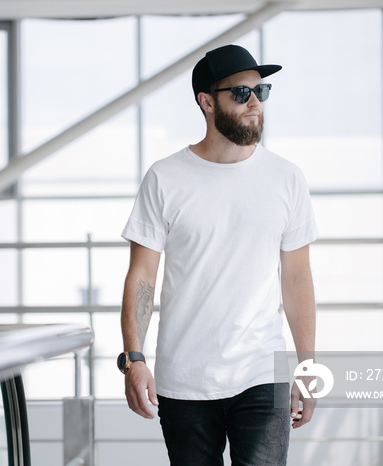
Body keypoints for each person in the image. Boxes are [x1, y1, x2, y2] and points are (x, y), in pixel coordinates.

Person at [117, 44, 318, 465]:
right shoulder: (165, 178)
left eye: (260, 92)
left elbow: (297, 279)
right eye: (240, 94)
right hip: (184, 380)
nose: (255, 104)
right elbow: (142, 276)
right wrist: (134, 358)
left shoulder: (286, 178)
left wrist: (307, 368)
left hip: (262, 372)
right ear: (207, 102)